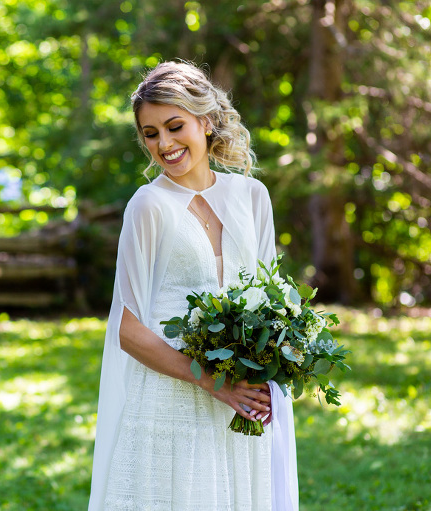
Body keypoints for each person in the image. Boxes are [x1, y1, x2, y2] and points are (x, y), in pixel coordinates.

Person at [88, 61, 298, 511]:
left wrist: (269, 362)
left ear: (205, 121)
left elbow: (271, 299)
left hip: (245, 400)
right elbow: (126, 329)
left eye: (174, 125)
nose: (164, 144)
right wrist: (214, 383)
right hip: (171, 404)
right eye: (149, 133)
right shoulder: (148, 206)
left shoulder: (252, 198)